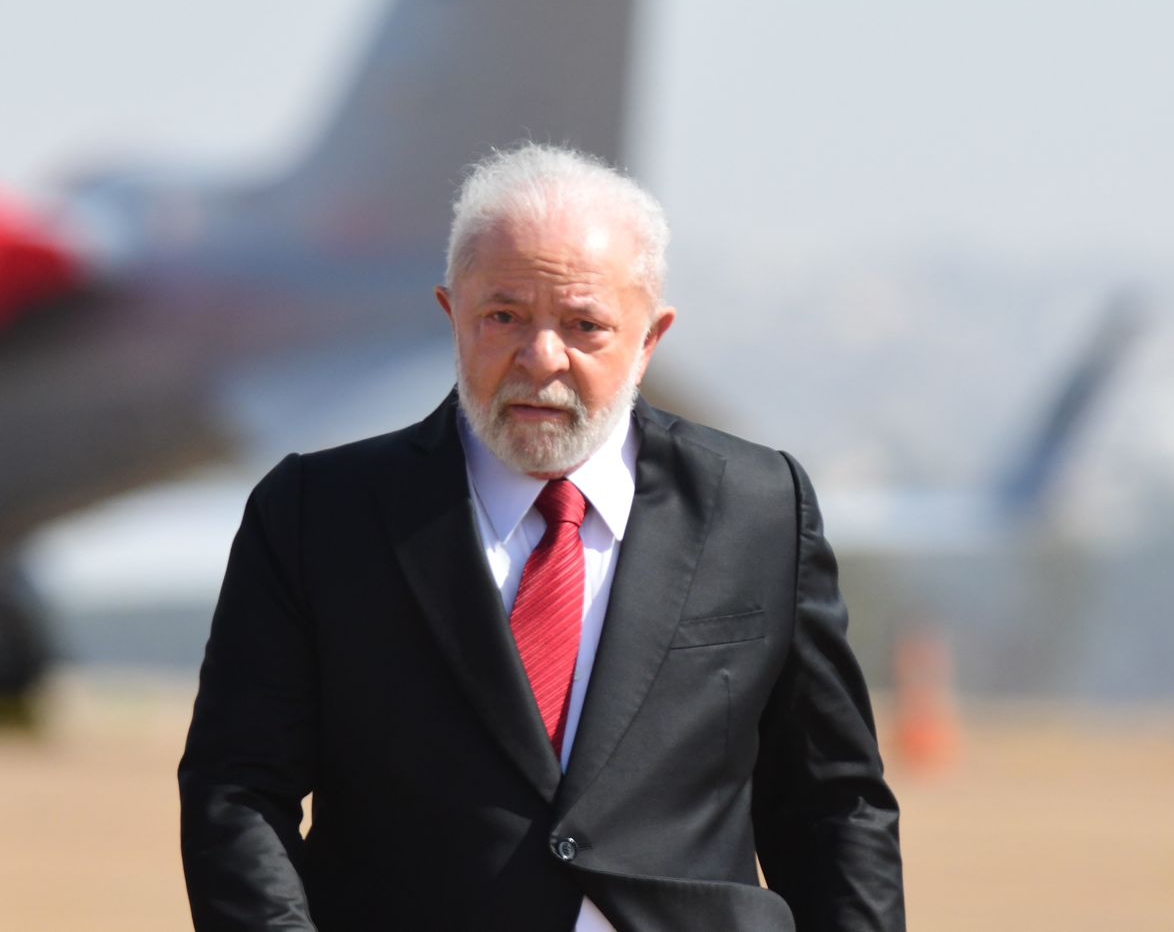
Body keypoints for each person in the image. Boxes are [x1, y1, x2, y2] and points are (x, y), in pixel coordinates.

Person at [178, 143, 905, 932]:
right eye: (504, 317)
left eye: (585, 325)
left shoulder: (759, 508)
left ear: (650, 340)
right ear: (450, 315)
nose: (541, 358)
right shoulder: (317, 515)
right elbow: (237, 794)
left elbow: (833, 805)